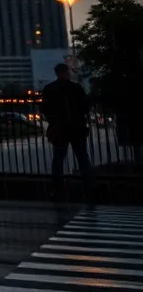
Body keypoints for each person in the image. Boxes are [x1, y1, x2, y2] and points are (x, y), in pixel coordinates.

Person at [41, 62, 94, 200]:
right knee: (82, 158)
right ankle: (89, 188)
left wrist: (54, 121)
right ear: (66, 72)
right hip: (76, 127)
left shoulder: (49, 89)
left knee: (58, 159)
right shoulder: (76, 88)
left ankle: (57, 188)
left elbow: (45, 109)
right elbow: (85, 107)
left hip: (60, 129)